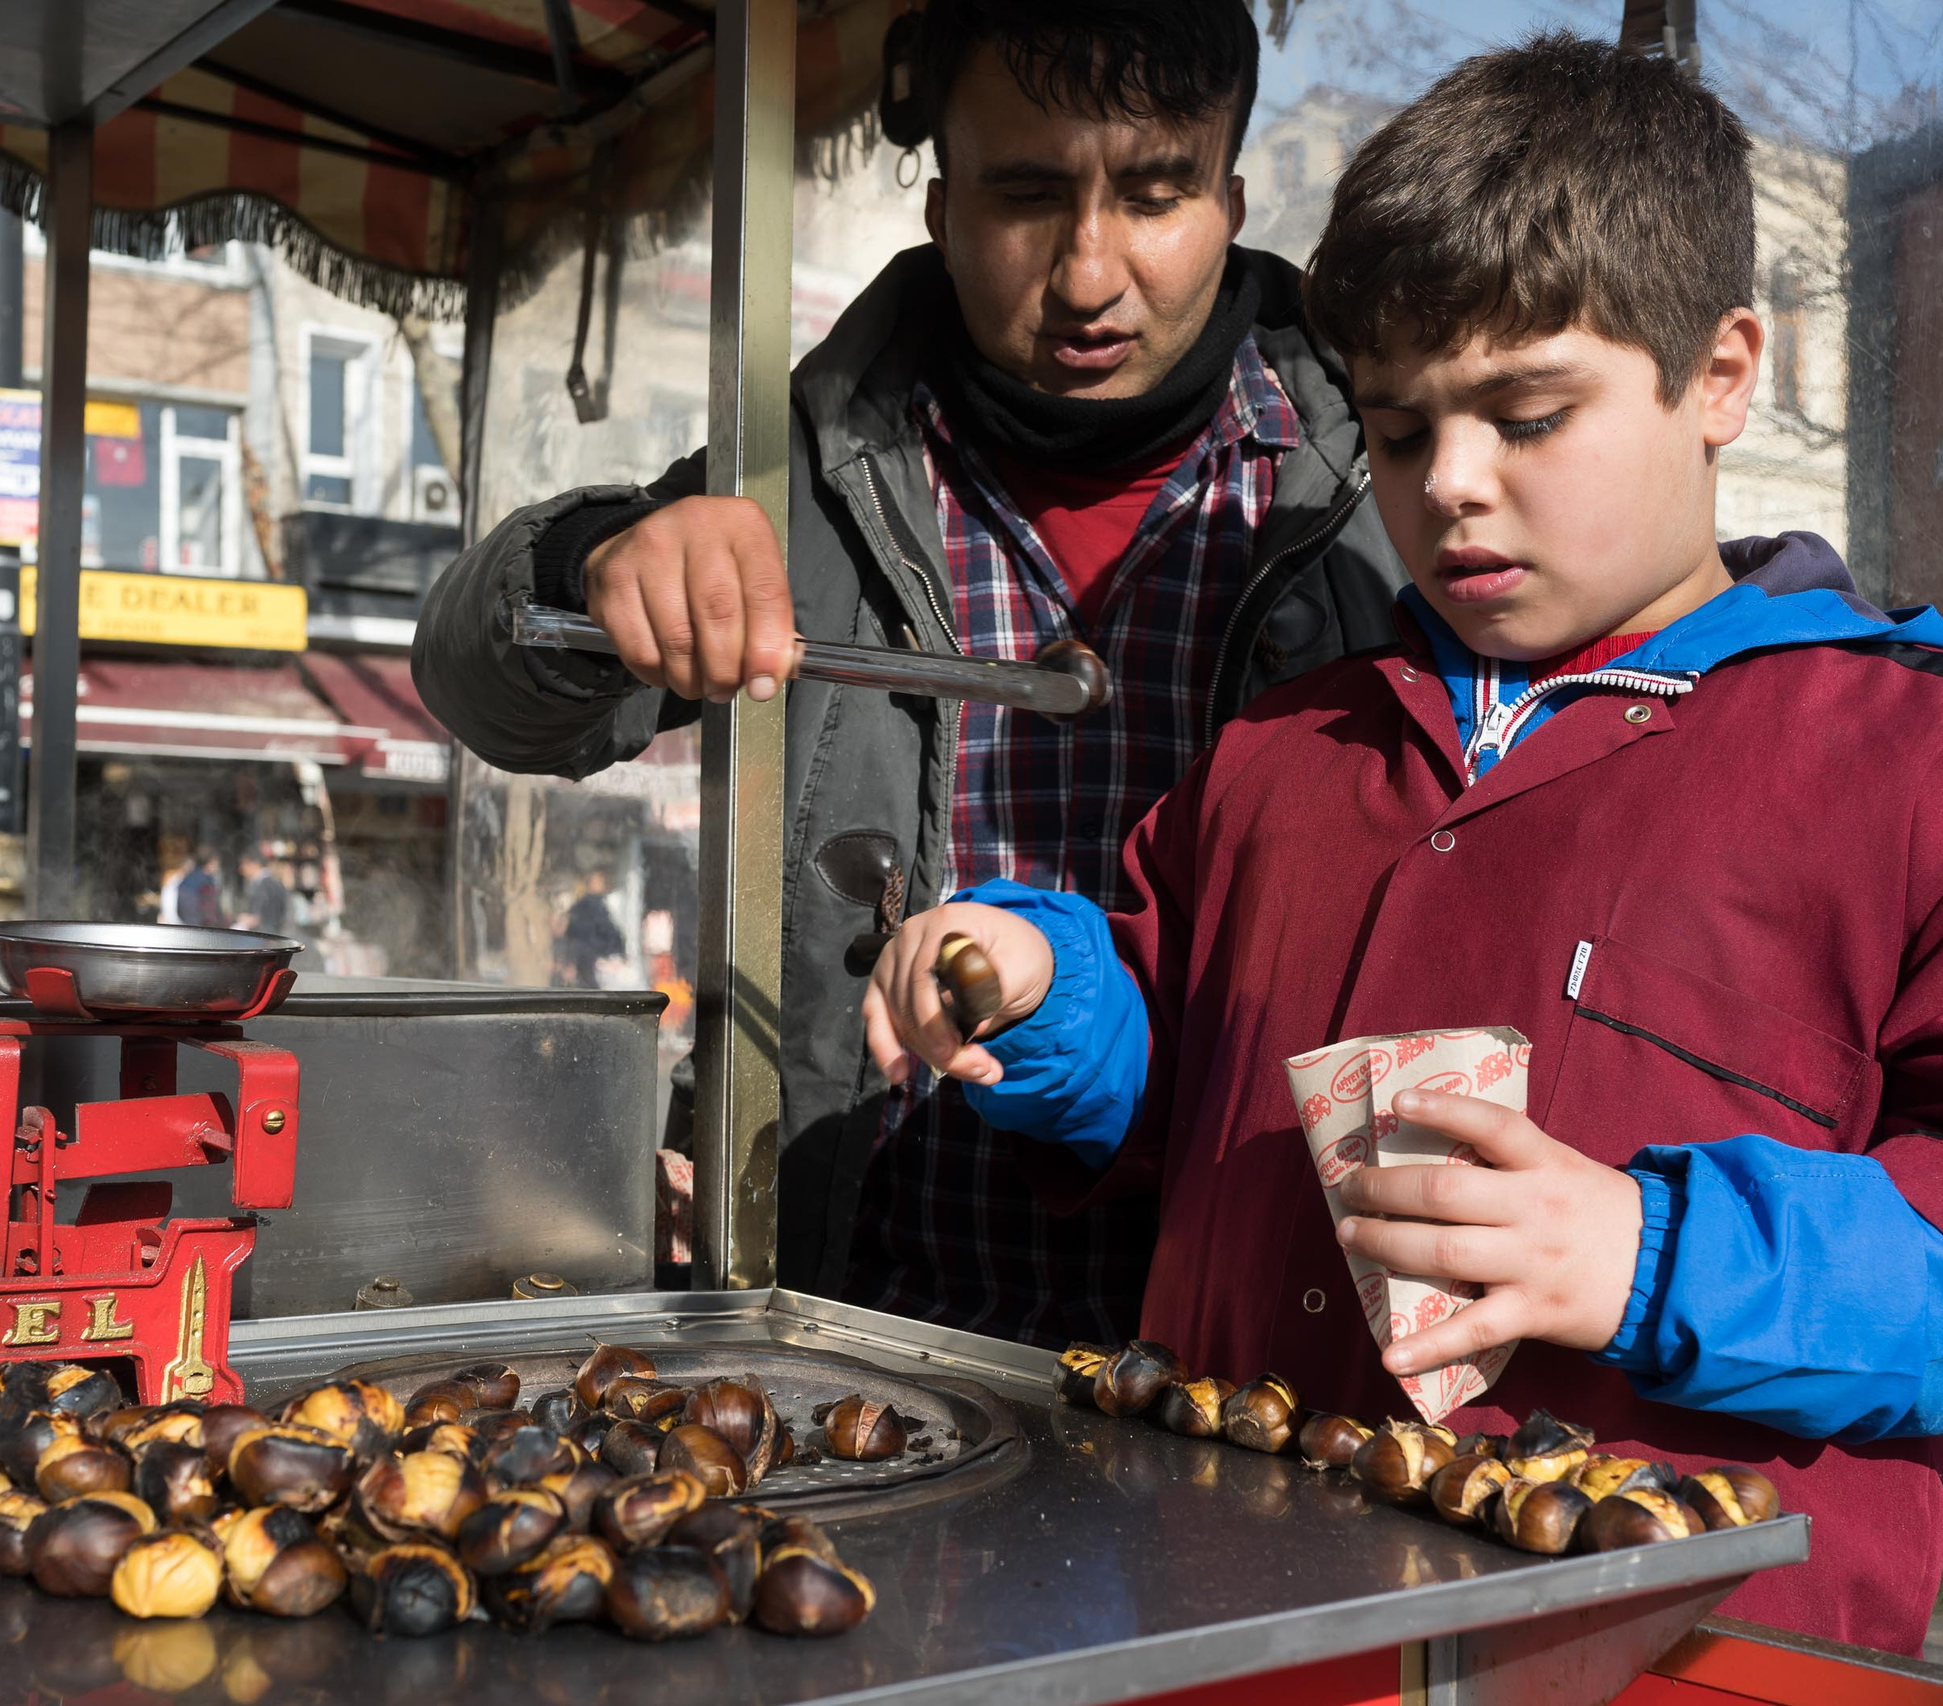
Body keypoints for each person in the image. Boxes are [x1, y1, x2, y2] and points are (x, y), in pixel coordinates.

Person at [862, 35, 1943, 1652]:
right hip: (1219, 1634)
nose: (1451, 486)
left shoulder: (1941, 768)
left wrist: (1653, 1258)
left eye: (1528, 414)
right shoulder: (1285, 749)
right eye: (1396, 429)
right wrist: (1046, 988)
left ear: (1724, 371)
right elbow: (1183, 1073)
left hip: (1696, 1666)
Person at [412, 0, 1404, 1343]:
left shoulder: (1383, 492)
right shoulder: (805, 472)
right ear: (940, 209)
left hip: (1244, 1344)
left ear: (1231, 199)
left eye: (1155, 195)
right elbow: (475, 684)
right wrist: (596, 564)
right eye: (1029, 195)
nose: (1090, 273)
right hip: (856, 1323)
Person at [556, 869, 628, 988]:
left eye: (601, 882)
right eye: (596, 882)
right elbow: (578, 933)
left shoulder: (599, 905)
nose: (600, 885)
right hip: (590, 957)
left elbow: (608, 931)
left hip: (599, 958)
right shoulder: (586, 905)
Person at [236, 850, 292, 937]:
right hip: (272, 935)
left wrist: (245, 919)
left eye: (243, 865)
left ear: (253, 864)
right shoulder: (270, 882)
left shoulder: (265, 884)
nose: (241, 869)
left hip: (267, 936)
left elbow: (259, 917)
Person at [177, 846, 225, 929]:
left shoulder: (187, 880)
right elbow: (211, 911)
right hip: (199, 927)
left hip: (189, 924)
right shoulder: (206, 882)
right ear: (211, 862)